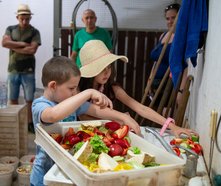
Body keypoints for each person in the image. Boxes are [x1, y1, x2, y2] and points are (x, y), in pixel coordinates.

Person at [30, 56, 140, 185]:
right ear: (53, 85)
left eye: (76, 88)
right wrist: (88, 92)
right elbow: (53, 115)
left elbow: (96, 110)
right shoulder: (39, 105)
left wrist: (123, 117)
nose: (74, 93)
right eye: (71, 88)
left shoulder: (69, 102)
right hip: (44, 178)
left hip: (67, 173)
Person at [78, 40, 198, 138]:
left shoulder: (113, 88)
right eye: (101, 68)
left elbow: (140, 108)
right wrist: (120, 118)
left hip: (108, 135)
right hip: (84, 135)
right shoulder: (78, 90)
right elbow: (84, 115)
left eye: (109, 67)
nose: (106, 73)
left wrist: (172, 126)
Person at [2, 4, 41, 132]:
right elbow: (4, 43)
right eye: (22, 18)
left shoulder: (34, 31)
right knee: (12, 98)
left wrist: (13, 46)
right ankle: (15, 122)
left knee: (29, 99)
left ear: (30, 18)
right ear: (17, 17)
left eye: (27, 19)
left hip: (28, 70)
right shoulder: (10, 29)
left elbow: (32, 50)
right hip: (13, 69)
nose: (24, 21)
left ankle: (30, 123)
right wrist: (22, 44)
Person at [149, 3, 187, 106]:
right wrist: (150, 80)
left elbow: (185, 67)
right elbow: (156, 61)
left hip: (168, 86)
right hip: (155, 84)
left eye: (173, 18)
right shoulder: (163, 35)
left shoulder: (182, 38)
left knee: (166, 117)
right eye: (167, 18)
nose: (170, 21)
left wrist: (180, 91)